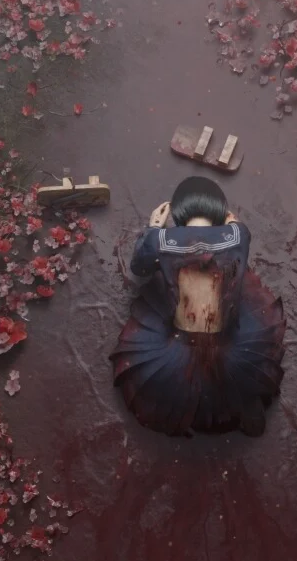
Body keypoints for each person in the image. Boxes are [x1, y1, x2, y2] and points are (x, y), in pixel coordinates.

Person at [109, 176, 286, 437]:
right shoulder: (239, 234)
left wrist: (153, 228)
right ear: (220, 210)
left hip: (177, 346)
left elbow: (140, 268)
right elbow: (234, 229)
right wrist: (232, 222)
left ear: (178, 211)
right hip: (230, 343)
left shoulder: (160, 239)